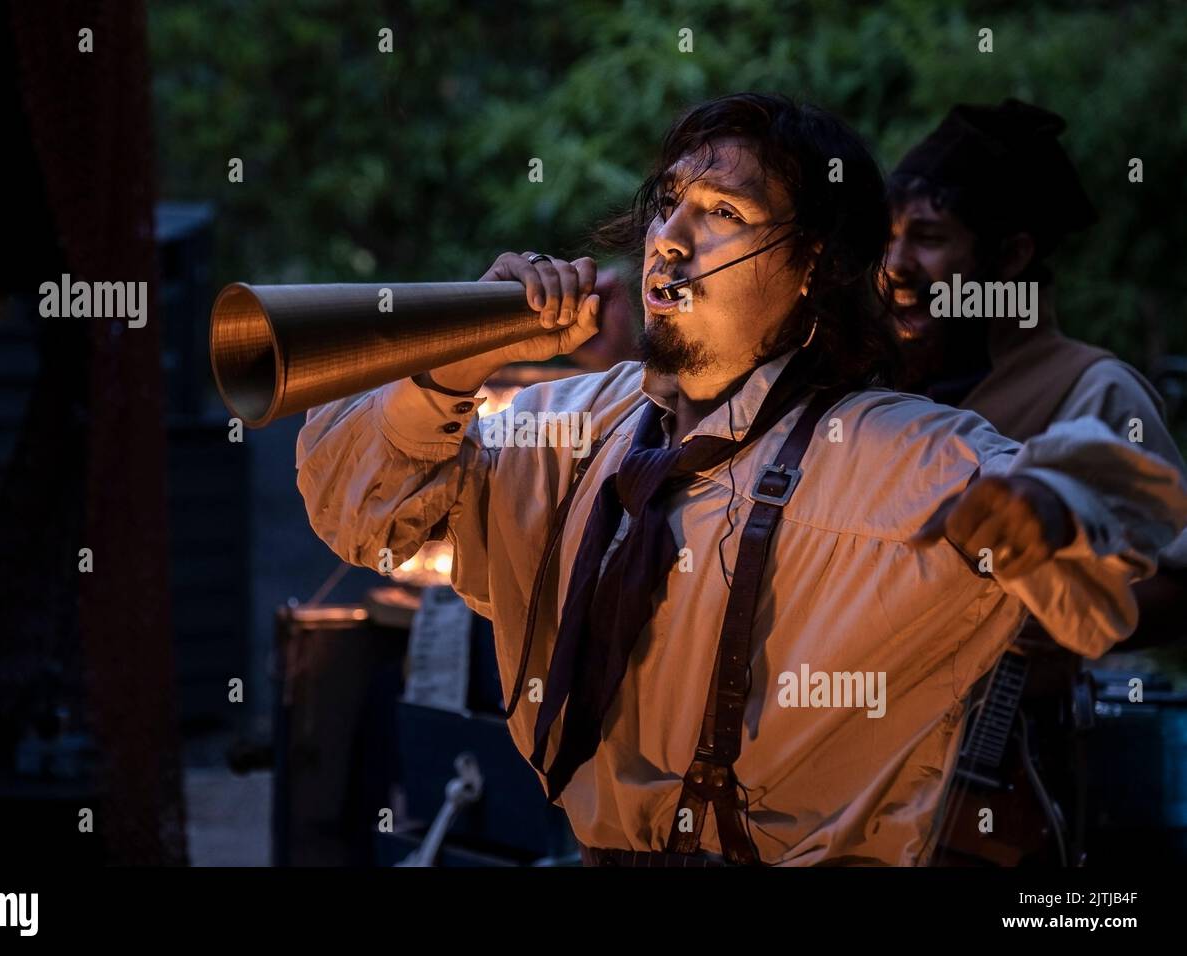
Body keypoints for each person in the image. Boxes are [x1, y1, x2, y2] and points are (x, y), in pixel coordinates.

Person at [296, 93, 1186, 866]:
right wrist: (460, 355)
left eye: (723, 212)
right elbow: (363, 511)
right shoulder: (564, 434)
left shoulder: (887, 454)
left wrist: (1050, 505)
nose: (671, 241)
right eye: (669, 202)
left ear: (815, 268)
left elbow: (1122, 506)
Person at [884, 99, 1187, 864]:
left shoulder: (1097, 391)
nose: (893, 267)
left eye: (927, 238)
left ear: (1011, 259)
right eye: (887, 237)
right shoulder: (872, 388)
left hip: (999, 796)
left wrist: (1019, 598)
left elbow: (1179, 586)